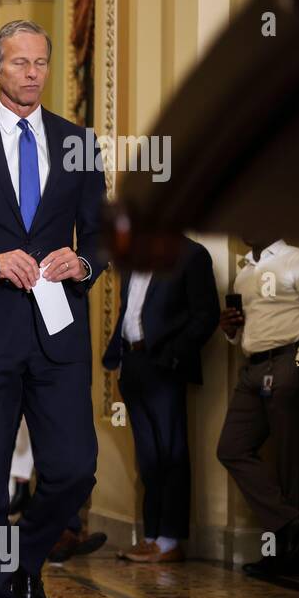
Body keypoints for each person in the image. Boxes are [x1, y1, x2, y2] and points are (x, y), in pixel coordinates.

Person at [0, 20, 108, 598]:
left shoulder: (77, 142)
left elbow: (103, 234)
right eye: (19, 63)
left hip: (58, 332)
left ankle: (25, 563)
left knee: (73, 469)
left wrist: (85, 261)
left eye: (41, 63)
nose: (33, 73)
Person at [102, 236, 219, 562]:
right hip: (133, 365)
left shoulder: (193, 255)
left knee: (172, 452)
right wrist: (119, 359)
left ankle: (170, 541)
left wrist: (172, 356)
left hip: (165, 365)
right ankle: (151, 536)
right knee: (149, 456)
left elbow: (206, 315)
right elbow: (130, 311)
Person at [216, 236, 299, 575]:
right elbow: (245, 327)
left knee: (290, 460)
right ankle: (292, 522)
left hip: (289, 361)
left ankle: (283, 558)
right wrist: (230, 330)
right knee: (231, 448)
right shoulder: (244, 271)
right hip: (253, 367)